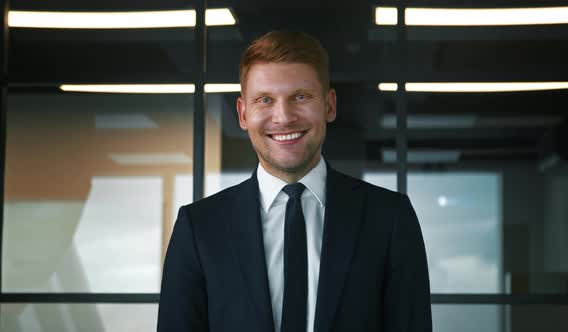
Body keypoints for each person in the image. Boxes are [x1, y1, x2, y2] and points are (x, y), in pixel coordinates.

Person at [157, 31, 432, 332]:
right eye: (265, 100)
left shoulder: (390, 218)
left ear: (329, 105)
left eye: (300, 97)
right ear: (243, 113)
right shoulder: (199, 228)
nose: (284, 117)